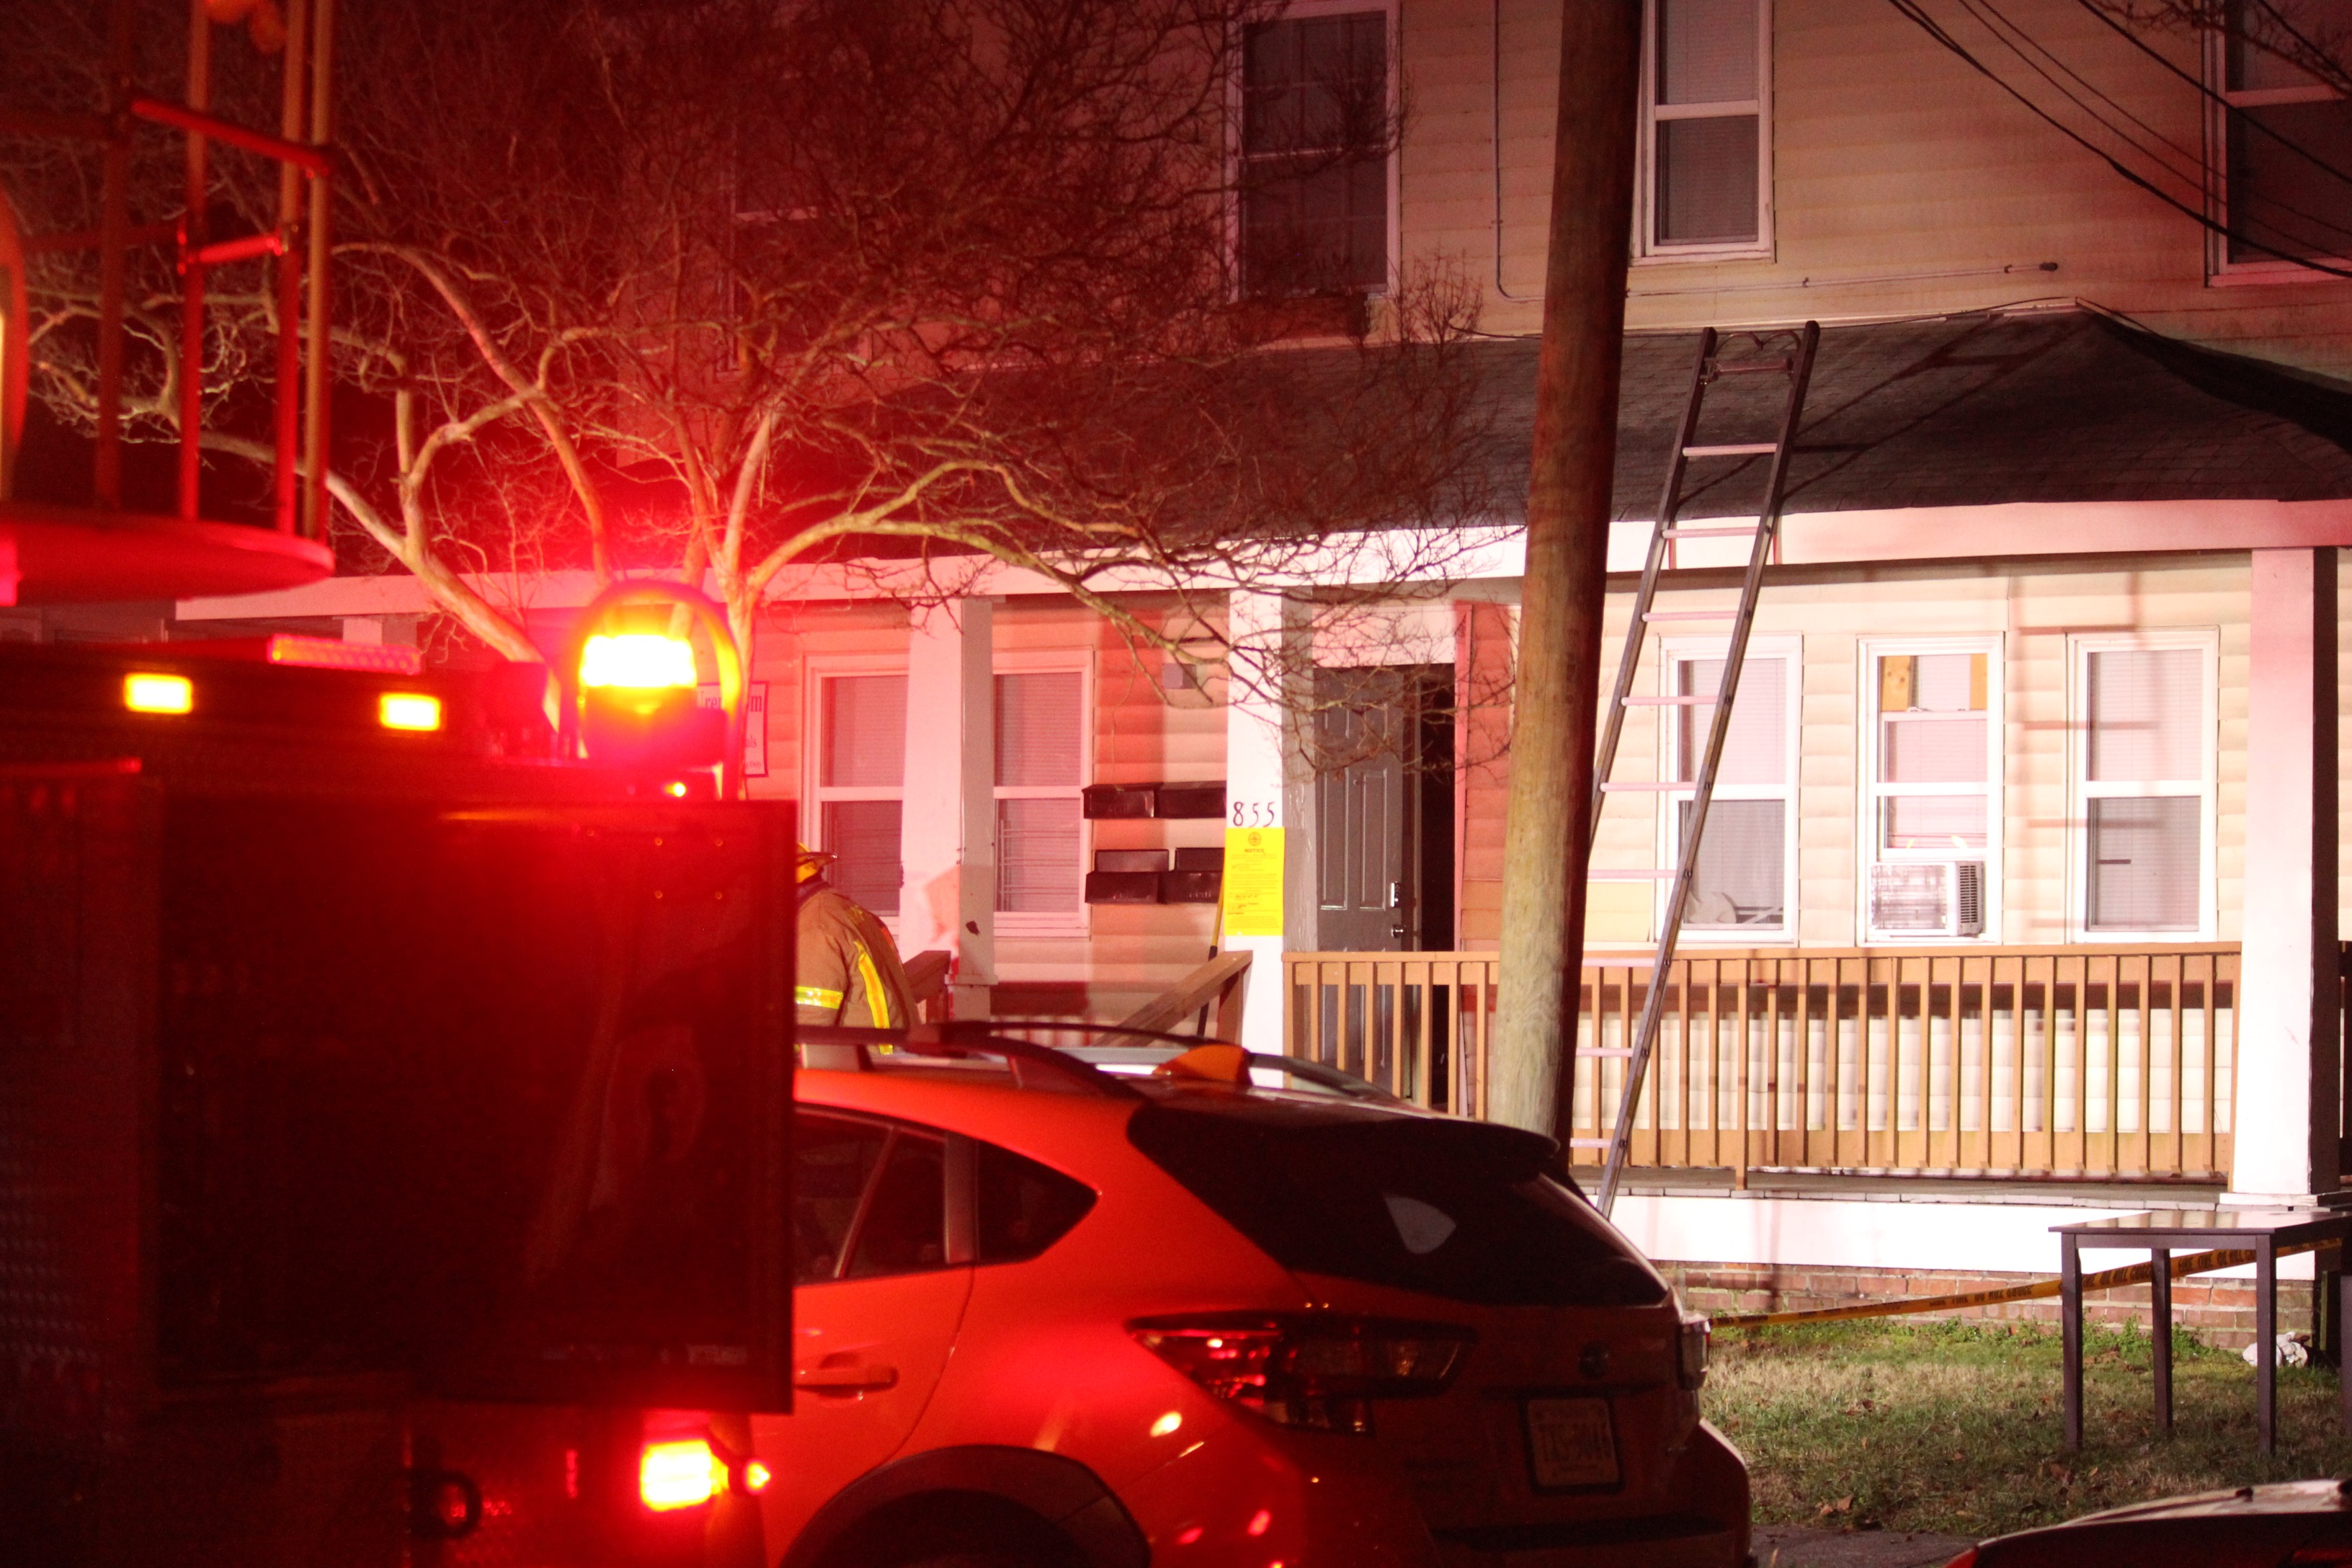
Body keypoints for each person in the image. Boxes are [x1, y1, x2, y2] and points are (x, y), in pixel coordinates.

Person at [795, 845, 918, 1030]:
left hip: (869, 1048)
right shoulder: (842, 910)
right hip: (895, 1043)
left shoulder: (815, 927)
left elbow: (810, 1025)